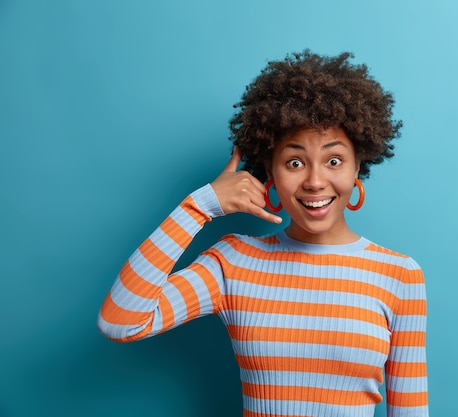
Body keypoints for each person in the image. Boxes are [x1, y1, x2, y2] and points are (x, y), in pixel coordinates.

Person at [98, 50, 428, 417]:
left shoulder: (400, 276)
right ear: (269, 171)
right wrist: (199, 206)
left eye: (334, 160)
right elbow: (120, 321)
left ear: (357, 167)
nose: (316, 181)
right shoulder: (232, 261)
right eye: (295, 162)